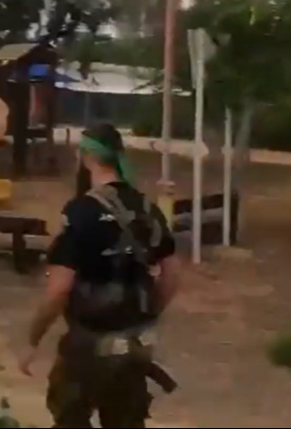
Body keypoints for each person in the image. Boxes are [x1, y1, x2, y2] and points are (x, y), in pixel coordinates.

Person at [18, 123, 181, 428]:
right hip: (135, 347)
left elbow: (59, 291)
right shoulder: (147, 208)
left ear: (86, 157)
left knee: (71, 419)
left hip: (88, 349)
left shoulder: (79, 212)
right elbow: (172, 275)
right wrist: (148, 313)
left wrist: (32, 340)